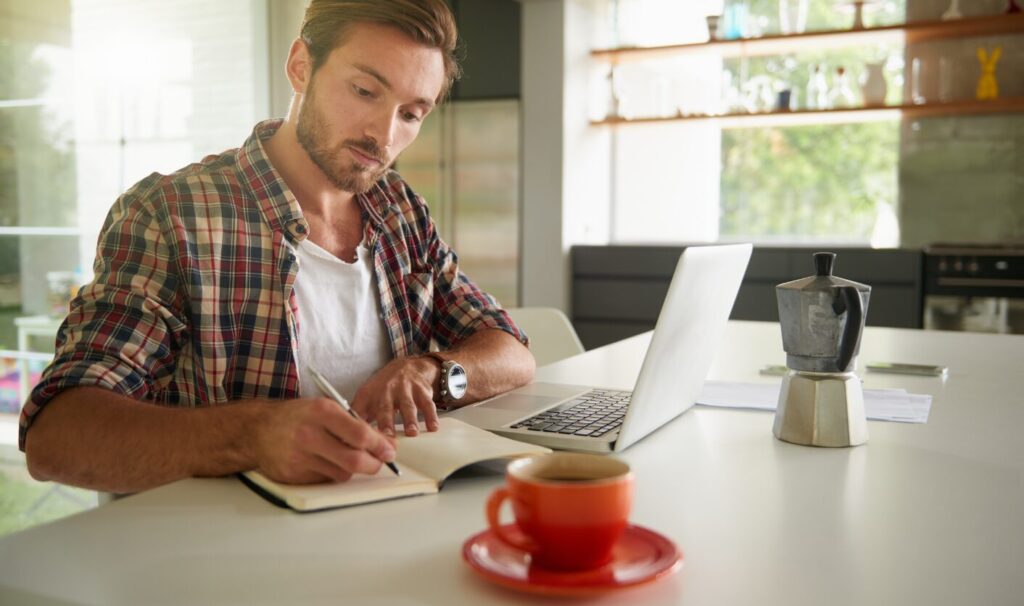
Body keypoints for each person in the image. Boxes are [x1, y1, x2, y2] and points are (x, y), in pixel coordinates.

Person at [20, 0, 535, 494]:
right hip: (227, 542)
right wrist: (253, 436)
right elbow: (57, 435)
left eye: (411, 114)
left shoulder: (400, 210)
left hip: (395, 516)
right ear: (300, 66)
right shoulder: (171, 214)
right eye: (364, 90)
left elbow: (512, 352)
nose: (383, 135)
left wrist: (435, 372)